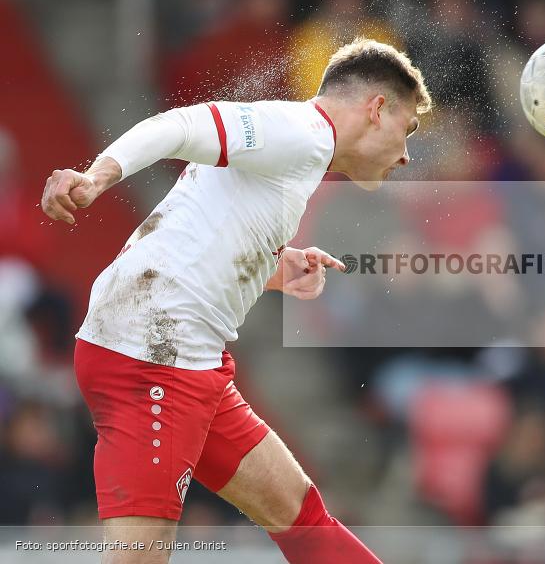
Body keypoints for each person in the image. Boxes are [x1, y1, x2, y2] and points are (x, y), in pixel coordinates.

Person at [40, 37, 431, 564]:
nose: (407, 154)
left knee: (300, 514)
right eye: (408, 130)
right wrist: (96, 176)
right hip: (152, 360)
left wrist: (274, 267)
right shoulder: (303, 134)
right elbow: (179, 126)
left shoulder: (298, 149)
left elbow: (203, 233)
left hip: (181, 357)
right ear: (378, 109)